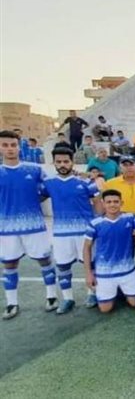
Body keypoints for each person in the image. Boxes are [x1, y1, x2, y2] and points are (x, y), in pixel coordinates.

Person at [0, 130, 57, 320]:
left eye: (13, 145)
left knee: (44, 259)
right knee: (9, 263)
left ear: (19, 147)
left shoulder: (34, 169)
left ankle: (51, 297)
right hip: (6, 227)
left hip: (34, 224)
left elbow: (49, 189)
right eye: (5, 145)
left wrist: (34, 201)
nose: (10, 149)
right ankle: (12, 303)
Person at [42, 147, 101, 313]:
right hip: (61, 233)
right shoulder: (48, 183)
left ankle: (92, 294)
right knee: (62, 266)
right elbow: (35, 198)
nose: (62, 165)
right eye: (59, 162)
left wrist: (97, 223)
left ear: (72, 162)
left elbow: (98, 201)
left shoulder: (85, 182)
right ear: (54, 163)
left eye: (66, 161)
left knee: (90, 264)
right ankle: (68, 298)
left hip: (85, 232)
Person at [83, 190, 135, 313]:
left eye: (115, 202)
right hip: (105, 272)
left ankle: (120, 290)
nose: (112, 205)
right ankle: (114, 291)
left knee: (134, 303)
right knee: (105, 309)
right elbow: (87, 247)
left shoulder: (130, 218)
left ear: (121, 203)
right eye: (109, 202)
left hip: (127, 270)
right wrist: (88, 273)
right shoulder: (95, 223)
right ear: (103, 203)